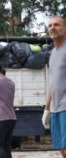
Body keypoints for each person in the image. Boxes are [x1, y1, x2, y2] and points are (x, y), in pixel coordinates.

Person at [42, 16, 66, 158]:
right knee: (61, 148)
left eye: (56, 24)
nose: (52, 27)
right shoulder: (53, 54)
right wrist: (46, 108)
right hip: (56, 108)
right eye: (50, 25)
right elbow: (52, 82)